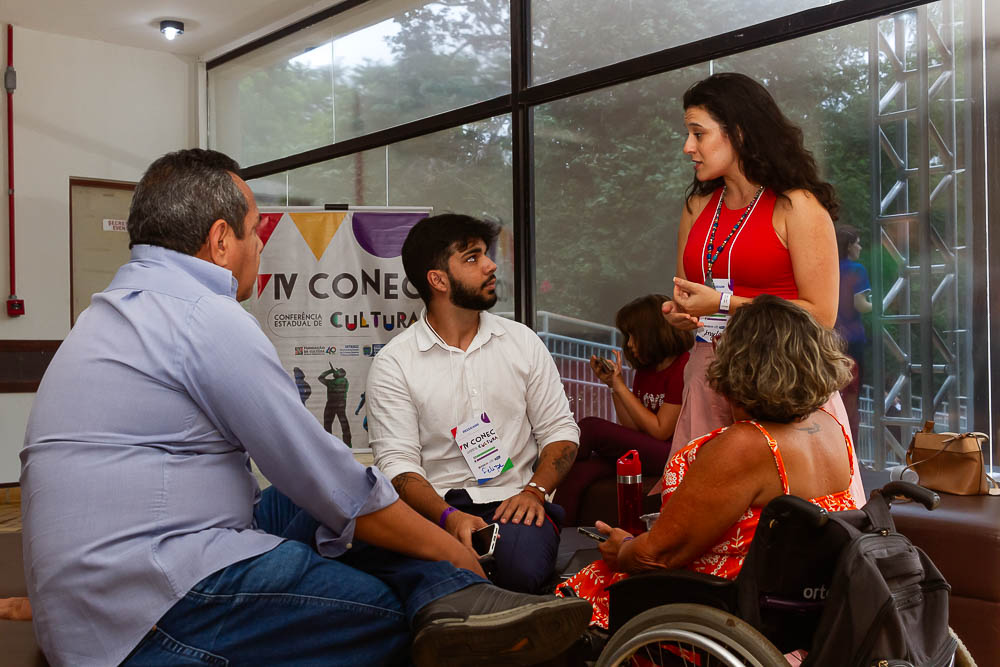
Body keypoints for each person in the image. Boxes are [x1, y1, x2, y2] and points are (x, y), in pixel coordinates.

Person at [19, 150, 591, 667]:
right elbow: (332, 480)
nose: (260, 247)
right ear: (221, 241)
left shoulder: (111, 312)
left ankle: (449, 599)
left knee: (321, 506)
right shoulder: (204, 317)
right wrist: (448, 548)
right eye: (253, 233)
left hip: (103, 585)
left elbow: (327, 486)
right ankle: (448, 604)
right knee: (388, 611)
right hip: (158, 599)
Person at [557, 295, 859, 629]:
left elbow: (656, 555)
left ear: (740, 364)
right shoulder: (831, 429)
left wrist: (623, 549)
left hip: (724, 607)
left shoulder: (746, 444)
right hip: (801, 607)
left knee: (571, 605)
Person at [660, 72, 865, 503]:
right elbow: (688, 297)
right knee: (699, 523)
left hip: (782, 385)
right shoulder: (697, 206)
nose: (688, 147)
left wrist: (724, 301)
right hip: (708, 377)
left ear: (738, 132)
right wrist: (683, 315)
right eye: (688, 134)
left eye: (699, 133)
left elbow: (822, 315)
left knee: (788, 526)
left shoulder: (798, 206)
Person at [367, 214, 581, 594]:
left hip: (516, 503)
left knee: (519, 570)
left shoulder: (522, 342)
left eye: (486, 254)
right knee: (419, 573)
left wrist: (534, 491)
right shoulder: (395, 362)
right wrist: (449, 518)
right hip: (436, 509)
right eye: (472, 257)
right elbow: (398, 467)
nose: (491, 265)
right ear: (438, 280)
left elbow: (560, 432)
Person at [553, 294, 693, 526]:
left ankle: (547, 467)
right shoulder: (646, 370)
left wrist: (619, 386)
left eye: (633, 336)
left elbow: (660, 430)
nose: (628, 344)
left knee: (590, 427)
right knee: (582, 470)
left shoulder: (683, 366)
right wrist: (613, 385)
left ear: (652, 333)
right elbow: (632, 427)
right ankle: (553, 530)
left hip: (671, 453)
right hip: (647, 449)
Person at [835, 227, 872, 442]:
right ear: (849, 246)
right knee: (852, 397)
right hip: (853, 340)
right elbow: (861, 304)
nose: (860, 247)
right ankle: (851, 448)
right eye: (857, 242)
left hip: (830, 339)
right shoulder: (857, 270)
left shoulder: (828, 267)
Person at [319, 363, 352, 445]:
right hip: (341, 403)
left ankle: (328, 443)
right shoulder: (345, 381)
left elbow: (320, 377)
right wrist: (334, 371)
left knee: (327, 423)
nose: (334, 373)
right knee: (343, 422)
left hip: (331, 403)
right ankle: (348, 443)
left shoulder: (331, 382)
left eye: (336, 371)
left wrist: (330, 371)